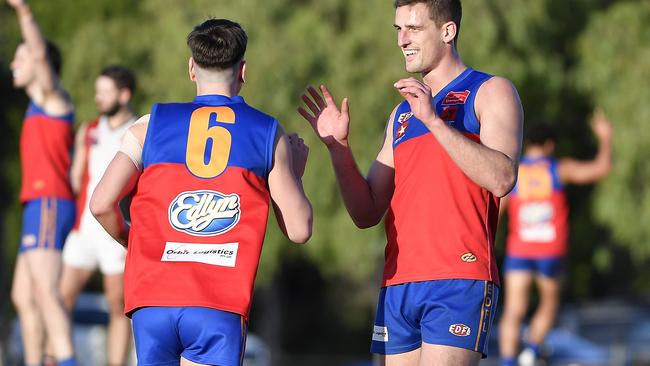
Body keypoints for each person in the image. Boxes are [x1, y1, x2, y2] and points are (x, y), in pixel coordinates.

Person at [298, 0, 523, 364]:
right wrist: (338, 149)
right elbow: (367, 210)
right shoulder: (402, 113)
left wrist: (435, 122)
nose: (402, 40)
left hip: (458, 276)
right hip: (398, 283)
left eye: (413, 29)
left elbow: (502, 178)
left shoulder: (490, 90)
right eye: (398, 30)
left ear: (448, 31)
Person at [90, 18, 313, 366]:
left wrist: (131, 241)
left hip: (152, 298)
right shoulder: (267, 131)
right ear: (243, 71)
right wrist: (293, 176)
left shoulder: (149, 125)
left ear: (191, 68)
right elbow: (299, 231)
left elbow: (102, 203)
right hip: (217, 302)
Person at [498, 112, 613, 366]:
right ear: (550, 144)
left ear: (528, 143)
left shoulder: (514, 173)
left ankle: (507, 361)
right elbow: (601, 168)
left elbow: (496, 212)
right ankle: (531, 351)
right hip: (550, 250)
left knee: (514, 310)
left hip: (519, 249)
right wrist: (605, 138)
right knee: (549, 304)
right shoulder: (559, 169)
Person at [7, 0, 77, 365]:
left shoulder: (55, 98)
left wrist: (23, 12)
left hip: (50, 202)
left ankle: (66, 360)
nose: (13, 64)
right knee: (23, 294)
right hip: (36, 204)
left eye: (20, 57)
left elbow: (36, 49)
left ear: (39, 63)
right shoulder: (37, 107)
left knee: (46, 292)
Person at [58, 66, 137, 366]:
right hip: (84, 230)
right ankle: (58, 357)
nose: (98, 97)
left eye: (105, 91)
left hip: (115, 230)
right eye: (98, 91)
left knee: (118, 307)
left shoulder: (137, 131)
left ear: (124, 94)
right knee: (60, 300)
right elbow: (77, 180)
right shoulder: (88, 130)